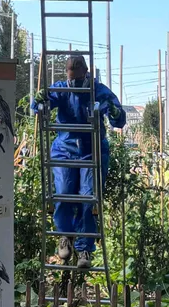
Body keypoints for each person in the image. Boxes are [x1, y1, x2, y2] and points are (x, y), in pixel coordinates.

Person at [33, 52, 126, 266]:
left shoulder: (98, 91)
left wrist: (115, 112)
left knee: (88, 199)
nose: (73, 82)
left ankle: (85, 250)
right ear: (67, 74)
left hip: (91, 150)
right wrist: (38, 100)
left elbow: (118, 120)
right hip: (65, 149)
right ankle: (65, 237)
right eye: (70, 77)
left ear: (86, 72)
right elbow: (38, 104)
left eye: (77, 77)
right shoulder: (61, 89)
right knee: (63, 194)